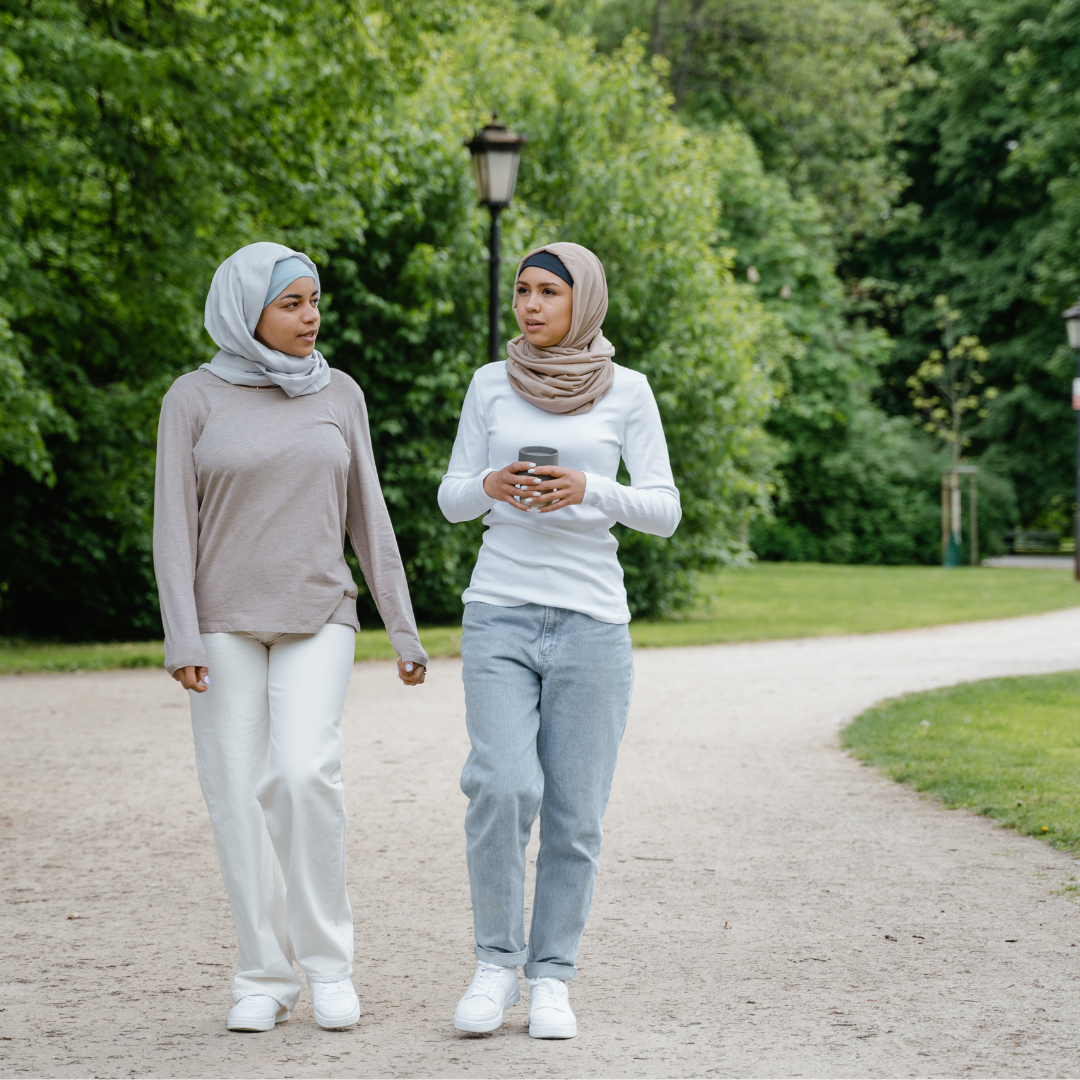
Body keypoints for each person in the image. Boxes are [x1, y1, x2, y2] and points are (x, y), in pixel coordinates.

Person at [153, 241, 428, 1034]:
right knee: (235, 795)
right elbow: (173, 526)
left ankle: (329, 966)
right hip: (220, 622)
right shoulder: (192, 398)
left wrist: (401, 627)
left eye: (315, 301)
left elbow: (368, 515)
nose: (312, 317)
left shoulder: (339, 393)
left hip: (319, 614)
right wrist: (183, 637)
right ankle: (263, 976)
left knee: (305, 774)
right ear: (248, 313)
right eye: (292, 304)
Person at [438, 242, 681, 1039]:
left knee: (575, 816)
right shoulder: (488, 384)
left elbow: (664, 509)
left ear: (586, 301)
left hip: (592, 623)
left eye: (549, 291)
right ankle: (494, 966)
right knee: (503, 788)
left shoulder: (629, 391)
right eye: (523, 290)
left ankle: (551, 978)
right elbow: (450, 499)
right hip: (499, 610)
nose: (532, 304)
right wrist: (490, 486)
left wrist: (589, 489)